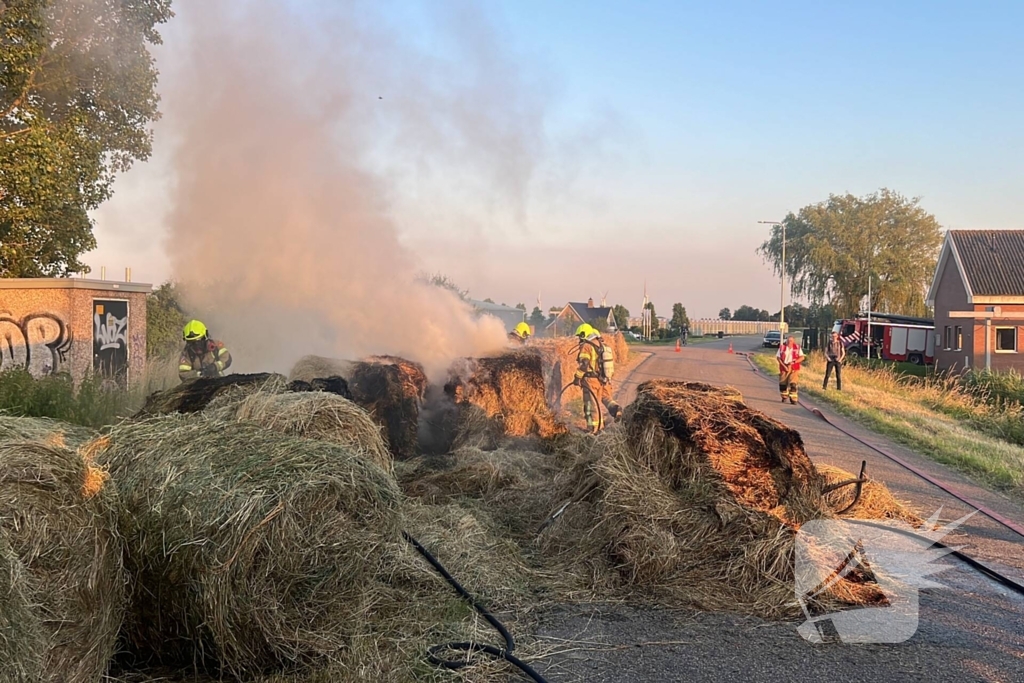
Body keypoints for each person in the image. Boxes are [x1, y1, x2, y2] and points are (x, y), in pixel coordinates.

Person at [574, 324, 622, 433]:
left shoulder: (586, 346)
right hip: (601, 380)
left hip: (590, 380)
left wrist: (577, 377)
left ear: (583, 334)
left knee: (591, 405)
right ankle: (614, 410)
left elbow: (584, 364)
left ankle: (594, 430)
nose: (579, 339)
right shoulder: (600, 344)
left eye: (579, 336)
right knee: (600, 401)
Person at [776, 334, 805, 404]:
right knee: (783, 384)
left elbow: (802, 357)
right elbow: (778, 358)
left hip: (794, 368)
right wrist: (784, 366)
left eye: (791, 341)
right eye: (788, 341)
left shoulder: (797, 348)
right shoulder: (782, 347)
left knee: (793, 384)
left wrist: (794, 362)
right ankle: (784, 397)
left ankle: (793, 399)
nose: (789, 342)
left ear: (793, 341)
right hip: (784, 367)